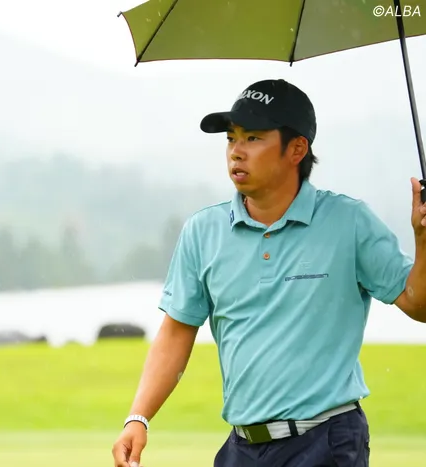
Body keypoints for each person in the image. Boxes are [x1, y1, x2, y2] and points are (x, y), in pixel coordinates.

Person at [111, 78, 426, 467]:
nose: (236, 151)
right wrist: (138, 417)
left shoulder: (349, 221)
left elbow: (418, 304)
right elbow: (177, 331)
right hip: (241, 448)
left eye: (253, 138)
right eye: (231, 138)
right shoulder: (202, 231)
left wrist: (423, 241)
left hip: (326, 441)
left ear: (296, 149)